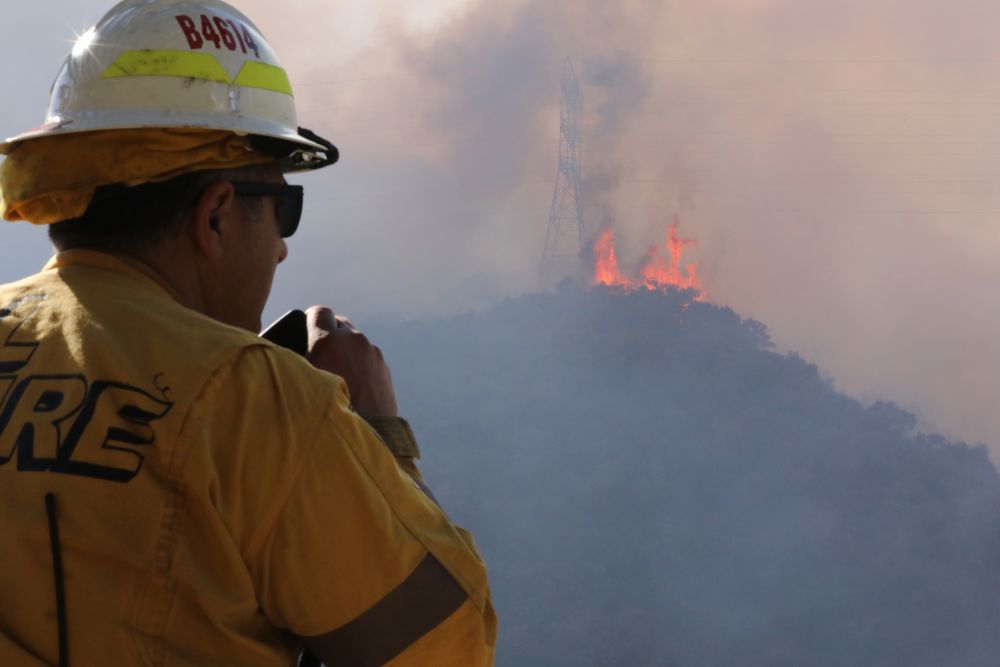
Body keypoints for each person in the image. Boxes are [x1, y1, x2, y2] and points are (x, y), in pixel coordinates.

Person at [0, 1, 497, 666]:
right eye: (282, 207)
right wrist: (380, 434)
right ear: (216, 216)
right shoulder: (255, 395)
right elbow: (446, 649)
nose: (283, 251)